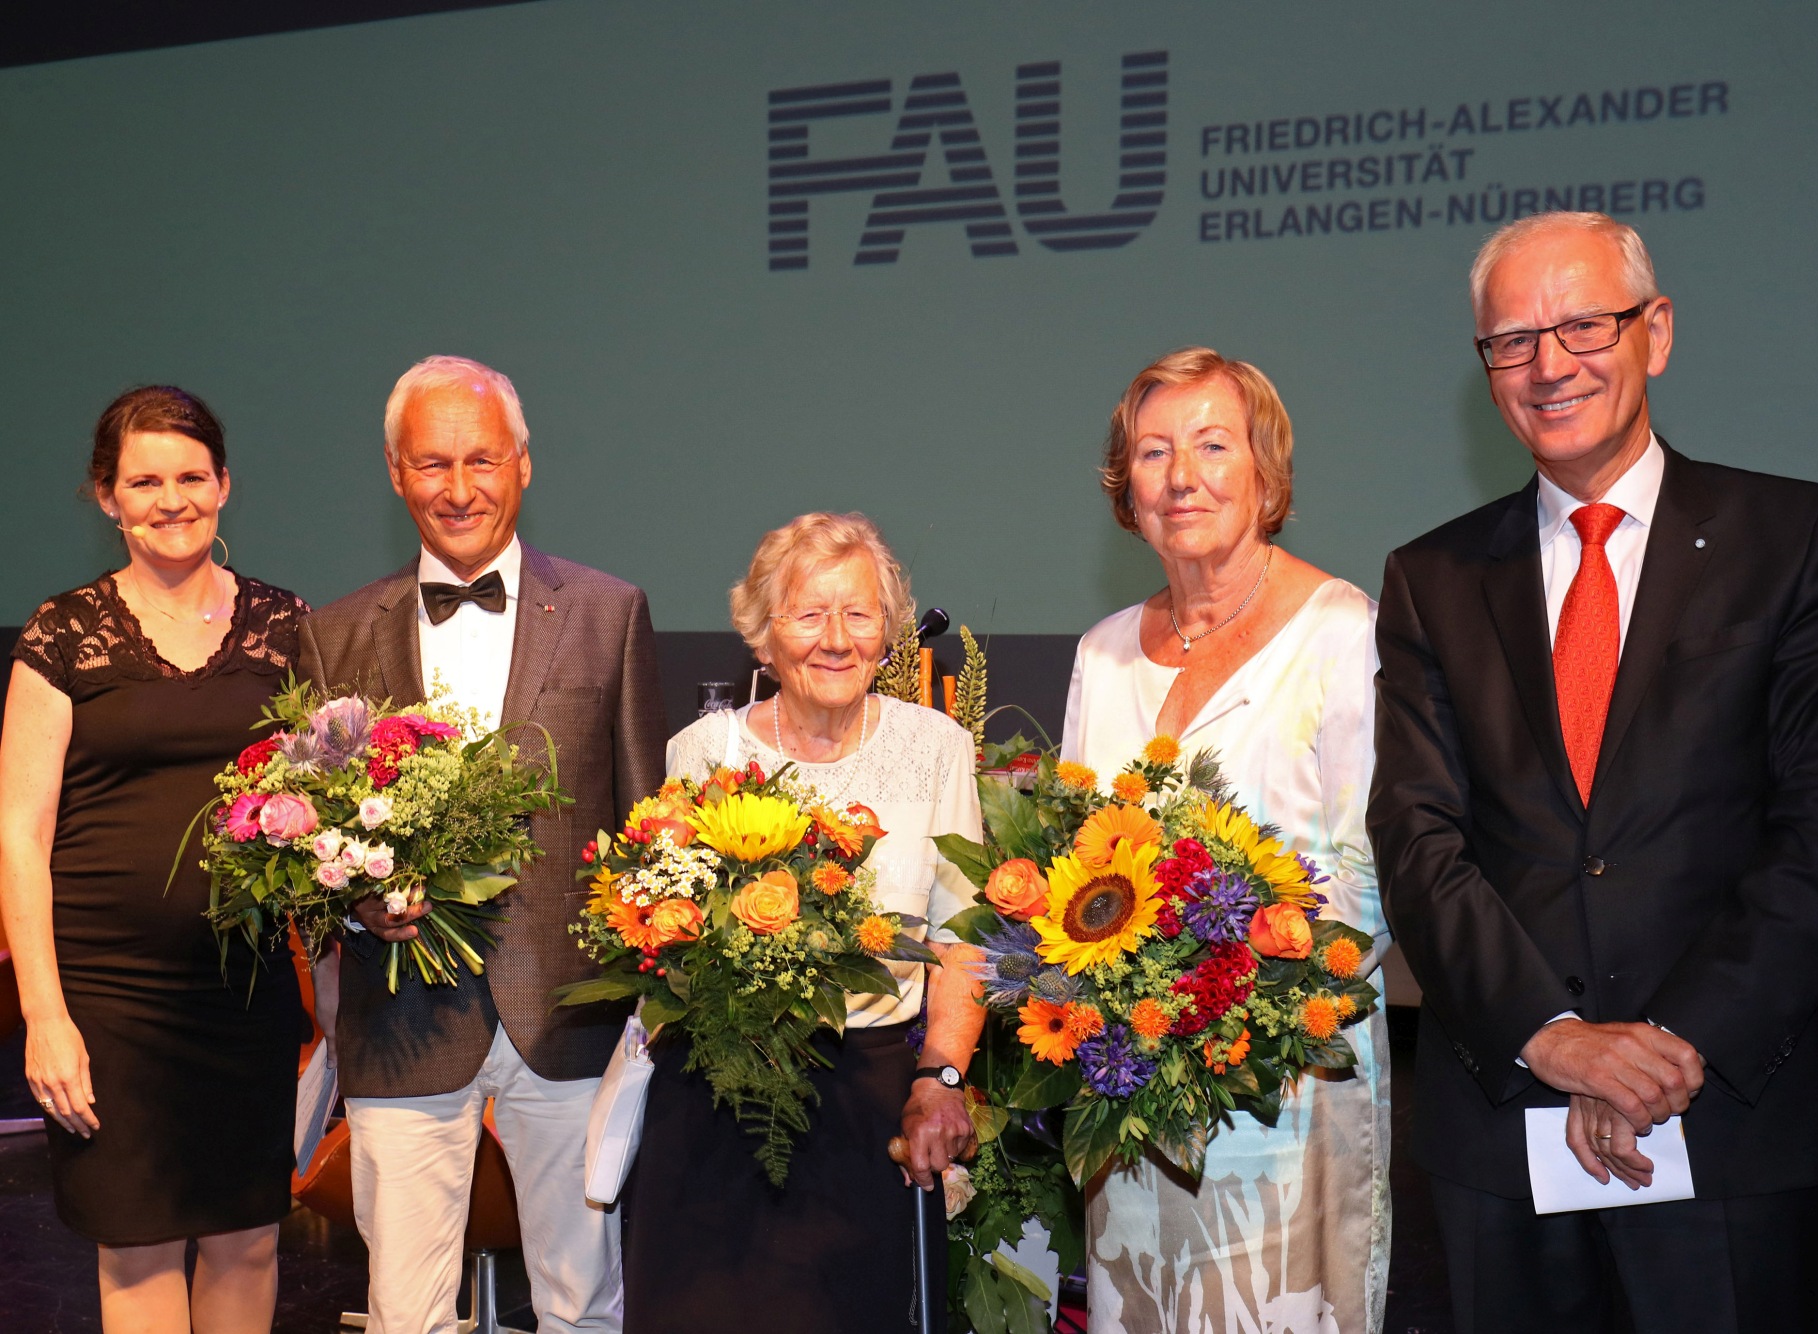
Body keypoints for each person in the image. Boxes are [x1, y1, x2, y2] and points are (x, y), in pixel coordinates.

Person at [1367, 212, 1818, 1333]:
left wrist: (1666, 1048)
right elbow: (1416, 841)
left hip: (1731, 1117)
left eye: (1580, 325)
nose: (1547, 364)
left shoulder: (1793, 538)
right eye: (1510, 340)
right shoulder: (1428, 578)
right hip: (1504, 1131)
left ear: (1653, 332)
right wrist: (1552, 1040)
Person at [298, 355, 667, 1334]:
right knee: (405, 1313)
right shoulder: (332, 634)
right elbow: (309, 849)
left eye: (481, 459)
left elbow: (647, 832)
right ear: (392, 471)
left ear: (524, 464)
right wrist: (354, 898)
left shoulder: (607, 612)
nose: (458, 488)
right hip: (402, 1018)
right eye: (431, 464)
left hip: (570, 1018)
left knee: (584, 1305)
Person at [1062, 348, 1391, 1333]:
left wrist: (1217, 983)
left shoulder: (1339, 628)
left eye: (1212, 444)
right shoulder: (1102, 649)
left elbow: (1368, 876)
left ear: (1264, 471)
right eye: (1153, 451)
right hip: (1128, 1096)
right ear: (1128, 489)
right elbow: (1076, 862)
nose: (1180, 474)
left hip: (1282, 1099)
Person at [625, 511, 985, 1333]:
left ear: (888, 629)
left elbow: (962, 934)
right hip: (716, 1097)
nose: (836, 638)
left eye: (858, 614)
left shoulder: (938, 748)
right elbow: (663, 934)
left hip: (869, 1107)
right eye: (808, 614)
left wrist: (943, 1079)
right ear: (762, 635)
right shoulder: (701, 754)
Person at [0, 386, 310, 1333]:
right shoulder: (63, 633)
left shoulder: (286, 626)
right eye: (144, 481)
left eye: (189, 476)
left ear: (224, 486)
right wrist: (44, 1016)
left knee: (247, 1236)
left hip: (246, 990)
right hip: (107, 999)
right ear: (107, 497)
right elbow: (19, 832)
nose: (170, 499)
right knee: (134, 1247)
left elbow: (329, 812)